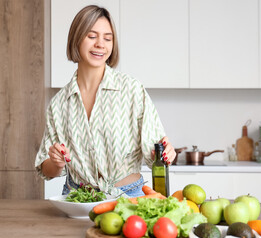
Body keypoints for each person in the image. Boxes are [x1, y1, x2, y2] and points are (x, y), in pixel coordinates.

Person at [35, 5, 176, 197]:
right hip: (78, 198)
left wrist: (164, 152)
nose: (101, 44)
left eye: (107, 38)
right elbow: (46, 169)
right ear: (76, 39)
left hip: (129, 197)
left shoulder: (132, 90)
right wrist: (56, 161)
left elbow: (155, 156)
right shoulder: (59, 104)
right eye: (92, 36)